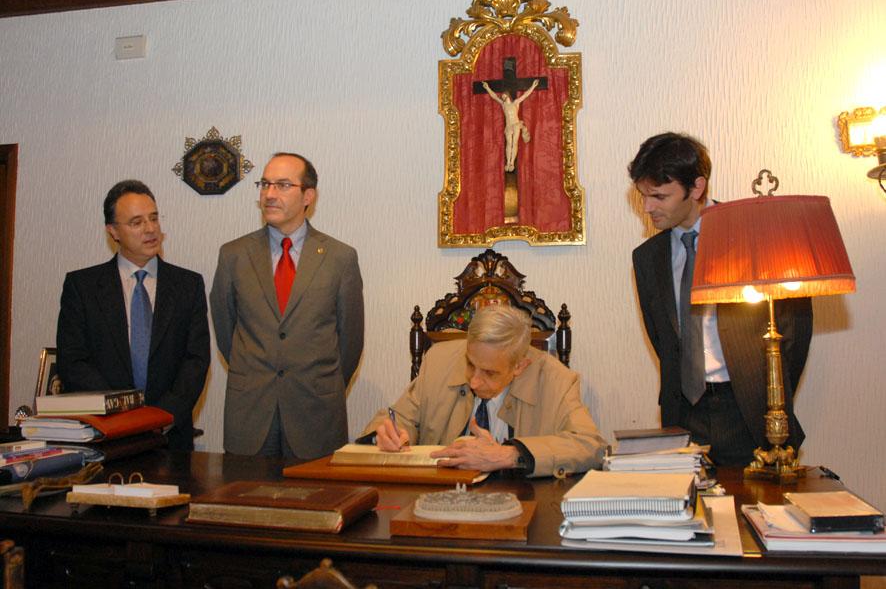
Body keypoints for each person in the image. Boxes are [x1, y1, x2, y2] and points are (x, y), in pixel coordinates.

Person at [628, 132, 813, 466]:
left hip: (750, 413)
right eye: (643, 196)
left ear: (696, 188)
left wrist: (773, 392)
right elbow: (663, 339)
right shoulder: (646, 257)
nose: (647, 208)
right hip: (683, 415)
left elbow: (795, 327)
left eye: (659, 196)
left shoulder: (753, 235)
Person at [210, 152, 364, 459]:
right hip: (251, 415)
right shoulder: (233, 255)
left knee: (315, 503)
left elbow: (350, 342)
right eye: (265, 184)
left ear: (308, 195)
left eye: (282, 185)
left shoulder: (340, 259)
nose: (269, 194)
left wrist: (318, 383)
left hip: (315, 414)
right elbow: (227, 332)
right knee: (247, 503)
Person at [359, 305, 606, 477]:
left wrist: (509, 455)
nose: (474, 382)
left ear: (519, 365)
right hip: (441, 500)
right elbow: (398, 418)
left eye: (489, 373)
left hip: (521, 506)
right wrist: (388, 434)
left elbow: (590, 446)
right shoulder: (438, 361)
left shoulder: (556, 380)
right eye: (470, 363)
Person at [56, 180, 210, 450]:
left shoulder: (188, 284)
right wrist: (119, 414)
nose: (150, 229)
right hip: (105, 435)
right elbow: (74, 360)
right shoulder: (83, 287)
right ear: (113, 231)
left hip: (170, 436)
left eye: (153, 218)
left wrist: (161, 417)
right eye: (136, 223)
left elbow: (195, 360)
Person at [482, 79, 539, 172]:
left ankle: (512, 162)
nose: (503, 96)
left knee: (514, 143)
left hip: (516, 124)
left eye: (504, 95)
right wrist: (487, 88)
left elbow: (525, 95)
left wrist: (533, 86)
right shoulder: (503, 105)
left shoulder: (515, 103)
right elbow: (494, 96)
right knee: (509, 144)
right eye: (503, 96)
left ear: (508, 95)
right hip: (508, 126)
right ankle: (508, 162)